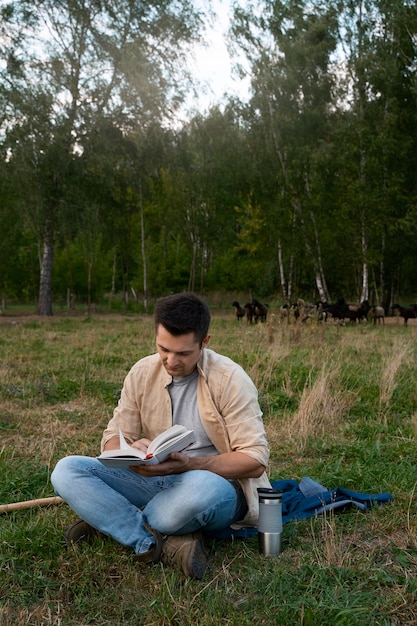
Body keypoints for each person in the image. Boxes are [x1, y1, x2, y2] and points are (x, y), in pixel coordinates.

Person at [51, 292, 271, 579]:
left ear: (205, 342)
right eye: (163, 349)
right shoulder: (142, 371)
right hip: (153, 479)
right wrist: (129, 447)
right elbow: (111, 438)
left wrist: (192, 464)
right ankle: (155, 542)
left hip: (212, 484)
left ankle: (111, 520)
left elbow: (255, 460)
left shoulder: (230, 378)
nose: (171, 360)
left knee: (196, 495)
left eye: (183, 353)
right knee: (66, 470)